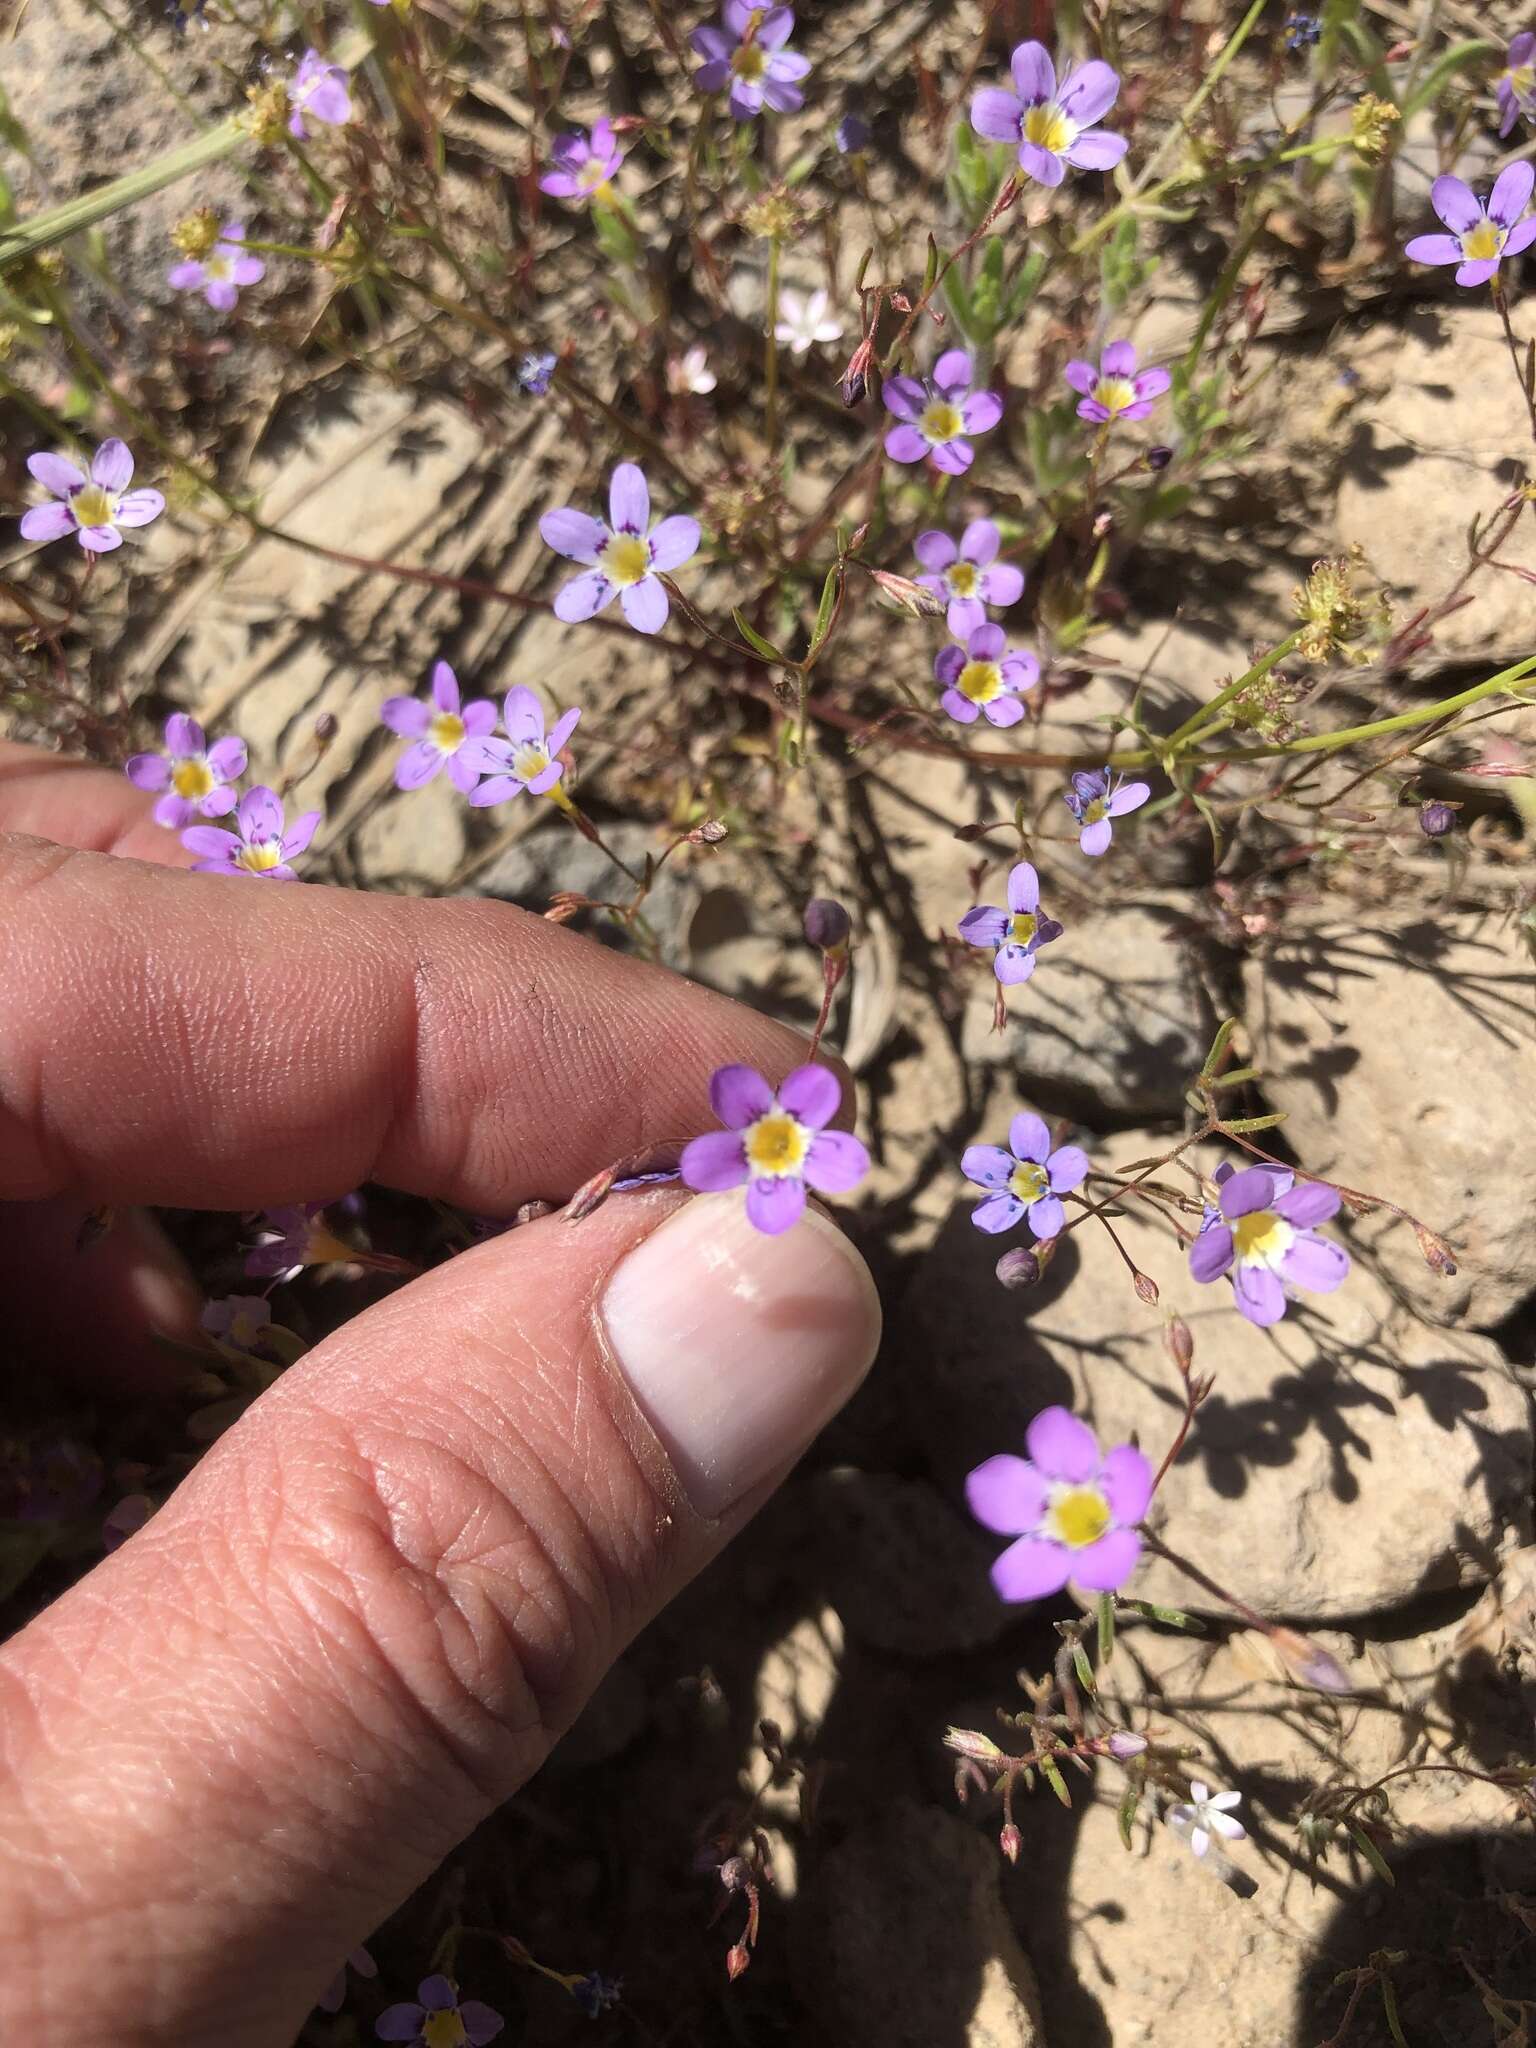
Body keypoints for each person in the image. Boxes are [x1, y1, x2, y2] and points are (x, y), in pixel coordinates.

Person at [0, 738, 882, 2043]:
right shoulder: (748, 1143)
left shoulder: (766, 1133)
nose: (774, 1151)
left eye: (781, 1143)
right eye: (763, 1142)